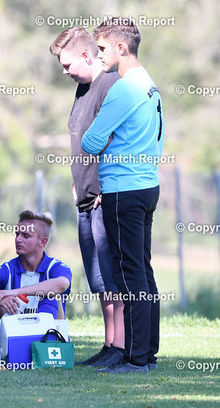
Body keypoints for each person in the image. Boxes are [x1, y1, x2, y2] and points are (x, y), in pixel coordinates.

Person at [82, 17, 164, 373]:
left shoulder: (123, 88)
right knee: (142, 269)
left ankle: (135, 358)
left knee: (130, 274)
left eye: (101, 48)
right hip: (147, 187)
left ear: (120, 47)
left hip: (124, 190)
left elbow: (90, 142)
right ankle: (148, 354)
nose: (98, 54)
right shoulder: (149, 83)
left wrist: (109, 139)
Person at [49, 27, 125, 367]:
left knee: (114, 278)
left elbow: (120, 140)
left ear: (85, 55)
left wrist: (105, 189)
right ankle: (109, 346)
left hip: (103, 200)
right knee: (99, 281)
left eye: (67, 65)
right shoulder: (82, 90)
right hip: (84, 200)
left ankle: (121, 347)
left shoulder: (110, 86)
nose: (65, 72)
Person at [0, 210, 72, 363]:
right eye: (17, 234)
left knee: (50, 294)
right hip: (14, 335)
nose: (18, 239)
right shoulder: (7, 269)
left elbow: (61, 284)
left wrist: (14, 292)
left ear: (42, 242)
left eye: (26, 236)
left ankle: (44, 348)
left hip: (47, 338)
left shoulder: (55, 266)